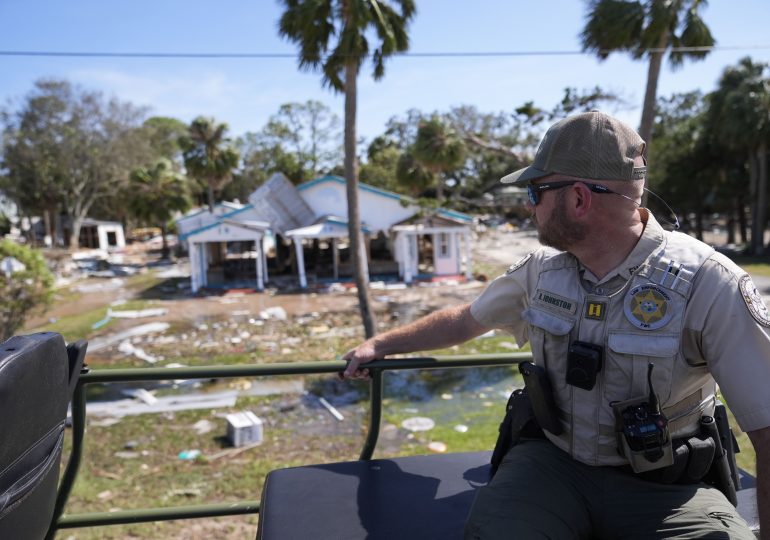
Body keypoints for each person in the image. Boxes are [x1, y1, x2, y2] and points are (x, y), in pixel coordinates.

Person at [342, 111, 770, 539]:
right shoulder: (540, 271)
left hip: (667, 487)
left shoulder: (708, 282)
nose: (529, 205)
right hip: (553, 467)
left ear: (579, 199)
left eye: (535, 190)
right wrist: (380, 345)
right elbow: (464, 321)